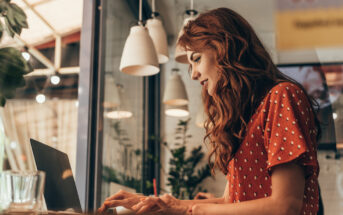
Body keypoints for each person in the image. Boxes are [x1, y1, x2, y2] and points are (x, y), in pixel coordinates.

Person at [98, 7, 321, 215]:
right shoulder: (247, 116)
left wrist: (191, 210)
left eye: (197, 59)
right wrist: (162, 204)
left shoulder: (282, 96)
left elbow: (286, 205)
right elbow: (231, 201)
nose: (193, 74)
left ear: (225, 49)